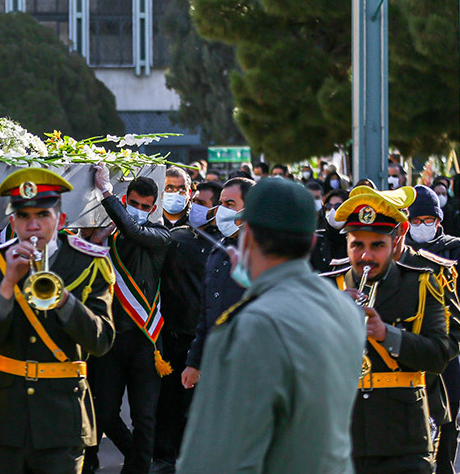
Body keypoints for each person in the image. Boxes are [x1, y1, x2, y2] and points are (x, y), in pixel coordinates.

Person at [176, 178, 366, 474]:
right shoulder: (344, 311)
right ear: (312, 241)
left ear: (247, 233)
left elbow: (215, 455)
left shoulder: (251, 325)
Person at [0, 168, 114, 474]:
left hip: (62, 417)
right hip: (3, 417)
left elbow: (101, 341)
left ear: (61, 221)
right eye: (23, 216)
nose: (33, 225)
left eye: (42, 215)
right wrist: (8, 283)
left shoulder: (88, 263)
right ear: (12, 221)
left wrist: (64, 300)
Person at [324, 185, 451, 474]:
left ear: (394, 243)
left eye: (377, 246)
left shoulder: (420, 284)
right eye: (357, 245)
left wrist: (385, 333)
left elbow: (438, 355)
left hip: (403, 440)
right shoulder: (326, 288)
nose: (365, 255)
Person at [86, 165, 171, 474]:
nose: (137, 211)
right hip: (111, 339)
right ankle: (140, 460)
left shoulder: (160, 234)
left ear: (153, 208)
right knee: (105, 413)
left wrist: (105, 192)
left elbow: (135, 231)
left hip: (145, 341)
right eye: (132, 204)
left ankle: (136, 470)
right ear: (126, 200)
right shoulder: (108, 234)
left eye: (144, 207)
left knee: (145, 417)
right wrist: (95, 241)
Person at [151, 181, 222, 472]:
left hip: (203, 340)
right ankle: (164, 458)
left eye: (204, 204)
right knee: (167, 403)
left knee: (197, 407)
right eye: (195, 202)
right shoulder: (176, 237)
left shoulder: (227, 247)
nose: (195, 208)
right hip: (171, 336)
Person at [402, 185, 460, 474]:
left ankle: (446, 466)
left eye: (427, 220)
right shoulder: (400, 249)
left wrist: (438, 329)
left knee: (448, 417)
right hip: (410, 345)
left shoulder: (455, 247)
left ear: (438, 221)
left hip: (445, 345)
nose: (422, 226)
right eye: (416, 222)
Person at [181, 177, 254, 395]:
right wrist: (194, 363)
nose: (221, 210)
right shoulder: (218, 250)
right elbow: (207, 314)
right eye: (221, 203)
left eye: (230, 204)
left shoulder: (265, 254)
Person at [311, 189, 349, 273]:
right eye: (328, 207)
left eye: (338, 206)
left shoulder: (355, 239)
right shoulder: (318, 240)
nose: (332, 211)